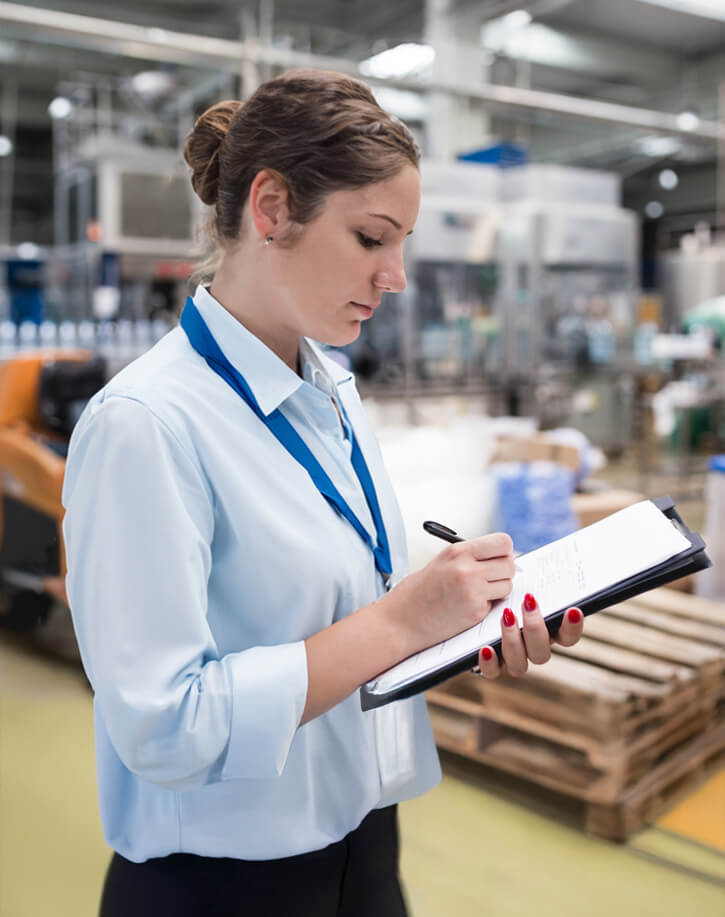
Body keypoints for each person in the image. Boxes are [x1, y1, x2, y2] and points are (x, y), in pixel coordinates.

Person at [62, 69, 584, 917]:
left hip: (366, 850)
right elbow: (165, 724)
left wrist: (460, 622)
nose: (397, 276)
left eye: (402, 242)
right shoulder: (145, 425)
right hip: (221, 886)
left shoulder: (332, 388)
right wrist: (400, 619)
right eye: (372, 237)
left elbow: (340, 617)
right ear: (271, 208)